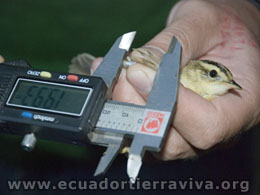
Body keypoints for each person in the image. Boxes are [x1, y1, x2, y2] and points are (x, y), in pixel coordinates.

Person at [91, 0, 260, 160]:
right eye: (213, 74)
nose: (229, 85)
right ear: (195, 71)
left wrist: (249, 10)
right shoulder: (178, 68)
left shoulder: (209, 103)